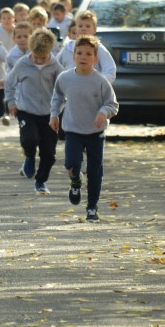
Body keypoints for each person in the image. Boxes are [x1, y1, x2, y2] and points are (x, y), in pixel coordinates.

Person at [50, 35, 119, 222]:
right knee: (71, 164)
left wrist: (103, 112)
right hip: (73, 130)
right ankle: (75, 182)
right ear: (73, 56)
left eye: (88, 54)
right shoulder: (65, 78)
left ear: (95, 58)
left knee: (95, 171)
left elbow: (112, 104)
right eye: (79, 53)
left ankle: (92, 208)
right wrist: (54, 114)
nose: (83, 57)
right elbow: (57, 97)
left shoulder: (101, 81)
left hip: (96, 132)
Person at [5, 28, 63, 195]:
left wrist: (59, 110)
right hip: (27, 111)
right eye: (36, 57)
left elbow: (62, 89)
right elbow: (10, 83)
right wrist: (11, 102)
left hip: (49, 114)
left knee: (49, 153)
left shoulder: (55, 66)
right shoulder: (22, 64)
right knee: (30, 139)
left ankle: (41, 181)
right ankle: (29, 157)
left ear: (50, 52)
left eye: (43, 57)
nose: (39, 60)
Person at [57, 10, 117, 81]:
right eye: (80, 26)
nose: (83, 29)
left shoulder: (98, 48)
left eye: (87, 26)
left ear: (94, 29)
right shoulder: (68, 47)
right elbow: (56, 67)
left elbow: (110, 71)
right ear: (76, 29)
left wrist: (97, 82)